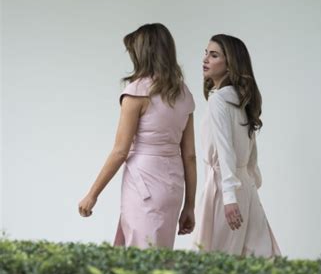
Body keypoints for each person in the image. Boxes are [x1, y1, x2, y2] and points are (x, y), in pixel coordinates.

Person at [78, 23, 197, 249]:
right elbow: (189, 155)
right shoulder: (183, 93)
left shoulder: (136, 92)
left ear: (143, 53)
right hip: (173, 186)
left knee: (140, 259)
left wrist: (92, 194)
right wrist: (189, 206)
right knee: (160, 258)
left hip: (144, 182)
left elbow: (120, 150)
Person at [193, 34, 281, 257]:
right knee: (258, 255)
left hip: (225, 188)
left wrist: (230, 197)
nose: (205, 59)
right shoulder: (242, 98)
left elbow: (225, 150)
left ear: (230, 63)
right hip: (245, 187)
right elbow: (250, 153)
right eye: (206, 53)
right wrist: (250, 183)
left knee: (217, 259)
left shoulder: (219, 99)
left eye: (214, 55)